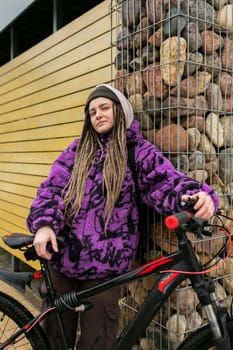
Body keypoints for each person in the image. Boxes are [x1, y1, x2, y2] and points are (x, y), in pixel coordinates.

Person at [26, 84, 219, 350]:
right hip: (63, 256)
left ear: (121, 110)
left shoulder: (136, 152)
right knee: (54, 339)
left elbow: (165, 183)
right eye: (92, 111)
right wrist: (45, 224)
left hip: (106, 268)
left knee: (99, 341)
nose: (97, 115)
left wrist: (195, 197)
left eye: (104, 108)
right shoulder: (76, 150)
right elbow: (51, 188)